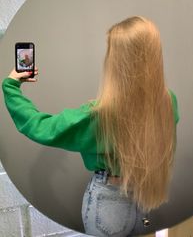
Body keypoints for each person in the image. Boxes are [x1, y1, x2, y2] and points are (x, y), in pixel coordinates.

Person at [2, 16, 179, 237]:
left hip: (109, 202)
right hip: (142, 199)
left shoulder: (101, 115)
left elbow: (40, 127)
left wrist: (11, 86)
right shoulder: (167, 101)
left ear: (117, 60)